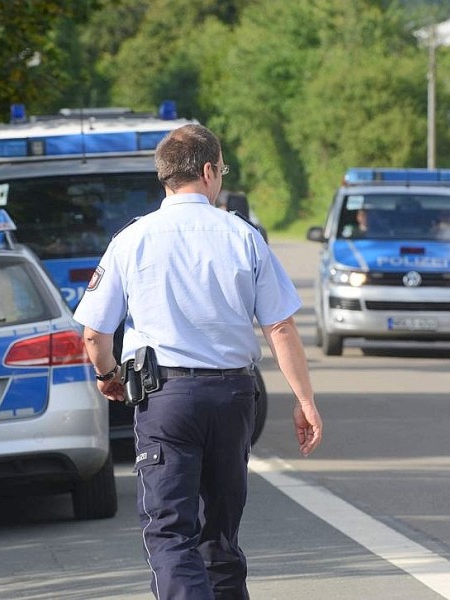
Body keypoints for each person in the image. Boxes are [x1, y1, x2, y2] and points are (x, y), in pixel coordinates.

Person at [73, 124, 323, 600]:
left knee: (170, 535)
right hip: (232, 399)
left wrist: (108, 376)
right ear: (209, 171)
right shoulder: (243, 236)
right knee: (220, 536)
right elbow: (281, 328)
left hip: (166, 400)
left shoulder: (132, 239)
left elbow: (93, 333)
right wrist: (304, 400)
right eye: (221, 170)